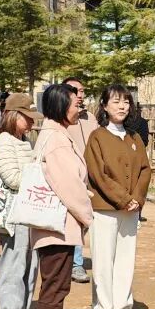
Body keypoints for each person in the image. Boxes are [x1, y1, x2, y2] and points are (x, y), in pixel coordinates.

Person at [32, 83, 94, 309]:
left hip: (56, 225)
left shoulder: (55, 134)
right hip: (57, 226)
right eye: (75, 104)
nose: (79, 108)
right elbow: (69, 186)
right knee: (55, 285)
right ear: (60, 106)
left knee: (55, 283)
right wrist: (87, 216)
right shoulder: (56, 140)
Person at [86, 85, 152, 309]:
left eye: (126, 101)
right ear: (104, 106)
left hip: (131, 210)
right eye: (116, 101)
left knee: (125, 262)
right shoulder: (97, 137)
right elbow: (97, 174)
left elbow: (145, 170)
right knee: (103, 263)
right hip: (105, 209)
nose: (122, 106)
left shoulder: (134, 138)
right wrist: (123, 199)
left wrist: (137, 199)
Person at [0, 93, 44, 309]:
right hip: (14, 218)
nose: (31, 122)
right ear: (14, 115)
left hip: (27, 214)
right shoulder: (4, 141)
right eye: (27, 117)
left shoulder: (23, 141)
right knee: (14, 271)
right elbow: (11, 178)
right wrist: (39, 178)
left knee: (28, 270)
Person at [63, 77, 98, 284]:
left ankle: (73, 261)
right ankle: (75, 264)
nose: (80, 94)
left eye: (82, 90)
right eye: (75, 90)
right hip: (70, 177)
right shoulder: (63, 119)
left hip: (90, 175)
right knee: (74, 219)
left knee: (85, 220)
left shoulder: (90, 118)